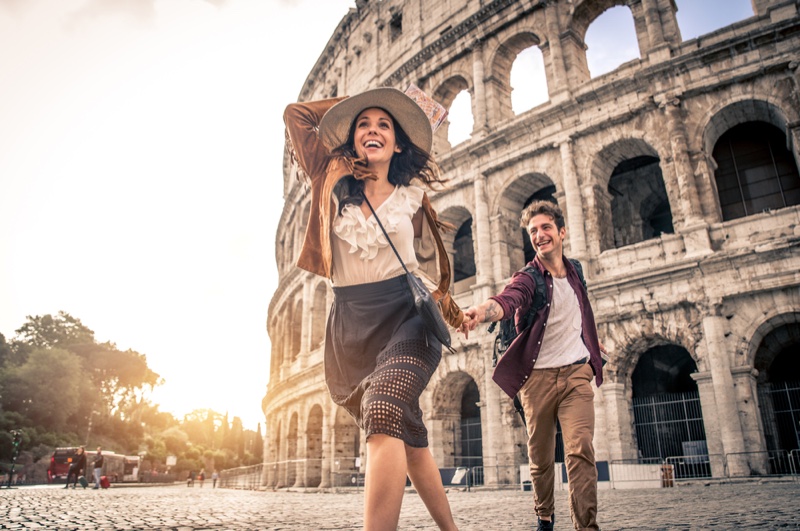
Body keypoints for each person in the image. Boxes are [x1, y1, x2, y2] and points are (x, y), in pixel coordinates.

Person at [284, 86, 464, 531]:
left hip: (407, 319)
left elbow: (422, 268)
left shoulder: (414, 199)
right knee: (412, 441)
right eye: (363, 124)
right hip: (352, 324)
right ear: (351, 138)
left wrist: (456, 311)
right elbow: (295, 114)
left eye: (384, 124)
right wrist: (348, 114)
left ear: (398, 143)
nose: (373, 129)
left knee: (383, 412)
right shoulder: (329, 179)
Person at [460, 201, 607, 531]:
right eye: (533, 231)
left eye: (545, 228)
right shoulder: (528, 278)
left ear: (561, 232)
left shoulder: (577, 272)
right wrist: (481, 312)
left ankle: (587, 526)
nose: (540, 235)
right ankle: (545, 516)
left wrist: (592, 342)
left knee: (580, 450)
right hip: (537, 380)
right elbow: (507, 299)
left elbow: (580, 311)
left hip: (576, 374)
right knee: (541, 459)